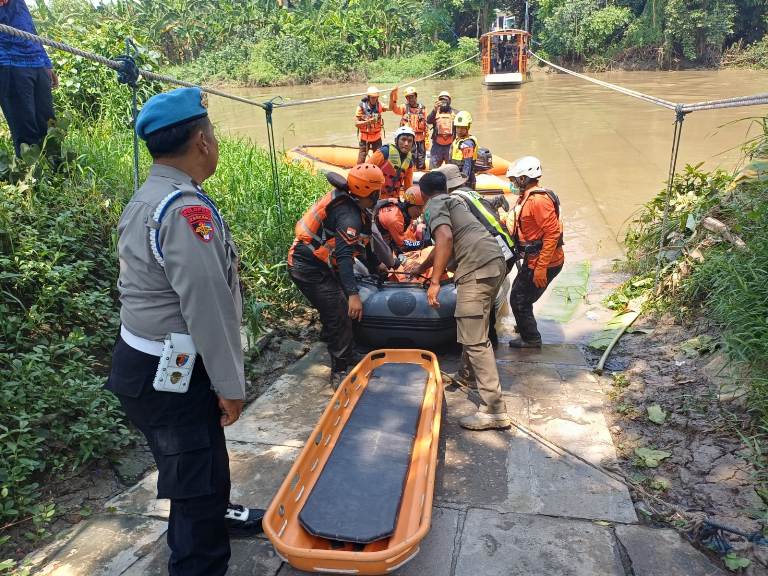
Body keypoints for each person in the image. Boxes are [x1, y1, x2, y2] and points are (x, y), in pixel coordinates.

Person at [105, 87, 263, 576]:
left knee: (196, 467)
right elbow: (208, 308)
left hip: (146, 362)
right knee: (196, 482)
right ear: (201, 141)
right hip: (169, 373)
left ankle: (214, 516)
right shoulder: (183, 210)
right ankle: (198, 560)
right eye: (212, 133)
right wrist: (230, 386)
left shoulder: (150, 197)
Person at [418, 171, 511, 431]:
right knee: (476, 327)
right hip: (494, 262)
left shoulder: (433, 205)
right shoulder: (454, 201)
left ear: (423, 194)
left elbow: (444, 238)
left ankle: (494, 410)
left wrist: (434, 282)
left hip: (476, 268)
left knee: (475, 339)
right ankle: (467, 375)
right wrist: (421, 268)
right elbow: (444, 243)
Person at [288, 164, 384, 390]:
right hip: (307, 266)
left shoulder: (355, 205)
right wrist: (353, 295)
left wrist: (376, 265)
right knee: (340, 309)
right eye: (378, 191)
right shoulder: (348, 215)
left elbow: (363, 244)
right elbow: (343, 257)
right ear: (371, 193)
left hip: (321, 263)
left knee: (340, 304)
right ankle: (340, 370)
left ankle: (348, 351)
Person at [505, 156, 564, 348]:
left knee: (519, 299)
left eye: (514, 180)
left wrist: (541, 268)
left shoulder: (538, 201)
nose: (512, 184)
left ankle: (531, 339)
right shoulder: (527, 197)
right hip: (533, 259)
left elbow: (552, 234)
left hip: (544, 261)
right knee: (519, 293)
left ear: (523, 179)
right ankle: (525, 325)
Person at [0, 0, 57, 157]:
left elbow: (28, 27)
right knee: (25, 131)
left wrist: (46, 62)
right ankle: (30, 172)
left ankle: (57, 169)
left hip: (36, 61)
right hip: (9, 61)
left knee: (50, 126)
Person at [371, 184, 428, 268]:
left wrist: (400, 255)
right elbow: (403, 245)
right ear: (409, 205)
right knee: (386, 267)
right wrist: (424, 243)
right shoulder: (395, 219)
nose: (421, 212)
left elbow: (398, 240)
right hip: (372, 244)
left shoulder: (403, 212)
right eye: (419, 208)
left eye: (423, 208)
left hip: (383, 238)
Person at [369, 125, 415, 200]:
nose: (406, 143)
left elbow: (408, 186)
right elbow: (365, 170)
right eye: (403, 139)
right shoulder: (384, 152)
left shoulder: (409, 162)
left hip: (394, 199)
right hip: (375, 197)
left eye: (410, 141)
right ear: (396, 140)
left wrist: (410, 202)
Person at [391, 86, 428, 170]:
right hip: (409, 138)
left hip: (420, 137)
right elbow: (394, 109)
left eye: (412, 96)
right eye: (408, 97)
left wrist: (427, 139)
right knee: (411, 155)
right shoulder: (404, 107)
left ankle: (421, 170)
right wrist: (394, 95)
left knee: (421, 155)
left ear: (416, 96)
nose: (410, 99)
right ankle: (411, 170)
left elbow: (425, 124)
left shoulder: (423, 108)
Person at [355, 86, 391, 164]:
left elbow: (391, 108)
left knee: (379, 159)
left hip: (377, 138)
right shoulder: (361, 107)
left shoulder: (380, 105)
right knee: (361, 160)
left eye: (376, 97)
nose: (374, 99)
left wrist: (392, 98)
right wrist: (368, 122)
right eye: (372, 98)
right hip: (365, 139)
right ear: (368, 97)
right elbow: (356, 124)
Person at [425, 90, 457, 168]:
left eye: (445, 100)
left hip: (450, 145)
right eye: (441, 100)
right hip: (437, 146)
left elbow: (461, 128)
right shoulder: (435, 112)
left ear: (449, 101)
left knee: (451, 168)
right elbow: (428, 121)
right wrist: (434, 110)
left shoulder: (456, 113)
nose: (443, 102)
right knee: (433, 169)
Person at [449, 111, 479, 190]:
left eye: (462, 128)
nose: (459, 130)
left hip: (465, 180)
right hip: (456, 177)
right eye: (458, 127)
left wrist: (463, 181)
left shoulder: (467, 144)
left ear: (467, 127)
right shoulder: (458, 140)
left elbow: (467, 164)